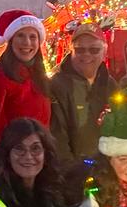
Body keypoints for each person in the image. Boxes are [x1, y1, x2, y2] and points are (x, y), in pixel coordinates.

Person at [49, 24, 117, 165]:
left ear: (104, 52)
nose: (87, 55)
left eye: (94, 50)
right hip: (73, 175)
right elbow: (57, 139)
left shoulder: (111, 85)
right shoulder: (56, 86)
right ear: (71, 50)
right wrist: (72, 176)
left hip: (107, 173)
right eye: (80, 50)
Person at [0, 9, 51, 147]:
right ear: (10, 41)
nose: (27, 42)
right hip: (13, 159)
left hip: (38, 157)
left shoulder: (38, 74)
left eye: (33, 37)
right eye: (20, 36)